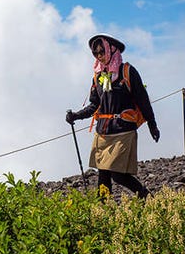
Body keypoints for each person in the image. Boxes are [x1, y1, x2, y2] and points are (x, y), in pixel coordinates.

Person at [66, 33, 160, 199]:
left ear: (112, 50)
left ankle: (147, 197)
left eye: (102, 51)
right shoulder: (98, 77)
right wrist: (76, 115)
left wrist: (152, 124)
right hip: (103, 131)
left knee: (118, 174)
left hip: (123, 130)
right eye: (96, 53)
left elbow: (142, 100)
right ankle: (103, 211)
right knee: (103, 175)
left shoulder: (127, 72)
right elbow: (95, 105)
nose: (100, 56)